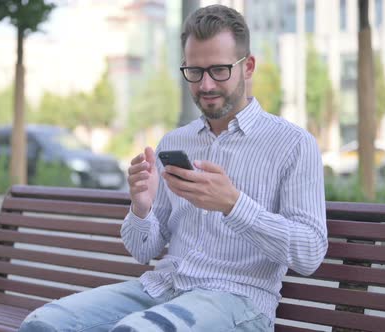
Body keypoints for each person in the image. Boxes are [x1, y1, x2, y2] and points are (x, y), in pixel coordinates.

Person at [19, 4, 327, 332]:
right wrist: (141, 208)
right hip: (162, 289)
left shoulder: (294, 144)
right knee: (44, 324)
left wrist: (233, 204)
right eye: (194, 71)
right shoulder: (174, 143)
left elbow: (309, 253)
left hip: (237, 301)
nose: (205, 85)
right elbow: (143, 250)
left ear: (247, 67)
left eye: (219, 70)